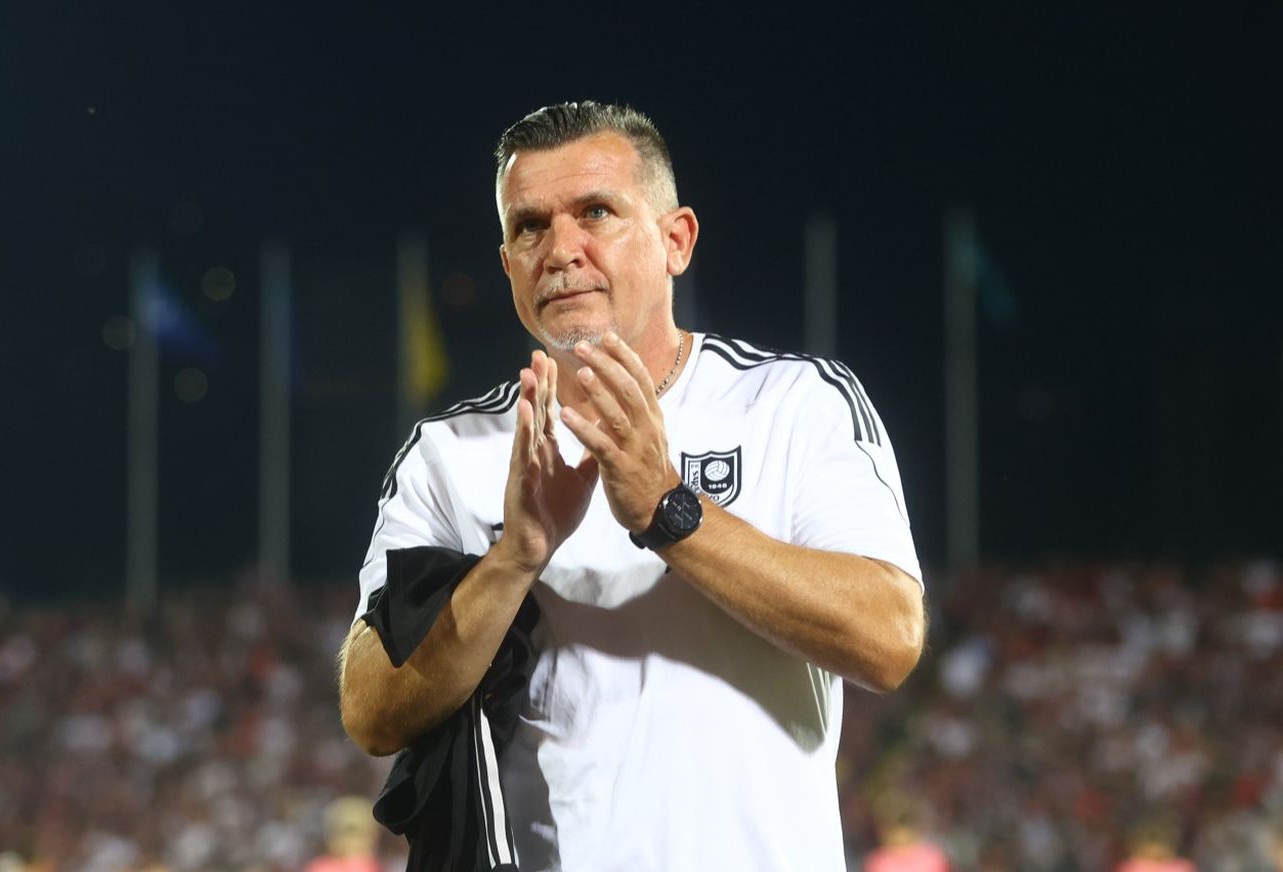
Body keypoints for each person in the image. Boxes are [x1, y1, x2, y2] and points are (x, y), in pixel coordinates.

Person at [338, 101, 926, 871]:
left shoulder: (791, 404)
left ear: (676, 240)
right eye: (530, 226)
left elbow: (888, 639)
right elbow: (372, 710)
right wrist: (514, 559)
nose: (561, 250)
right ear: (508, 262)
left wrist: (669, 511)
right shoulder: (449, 455)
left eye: (595, 212)